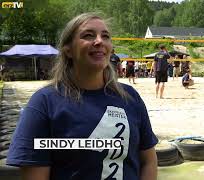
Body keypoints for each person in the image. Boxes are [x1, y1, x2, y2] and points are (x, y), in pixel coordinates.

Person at [6, 13, 158, 180]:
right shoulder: (44, 103)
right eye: (88, 35)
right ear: (68, 50)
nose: (99, 41)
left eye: (105, 36)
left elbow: (149, 161)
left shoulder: (130, 97)